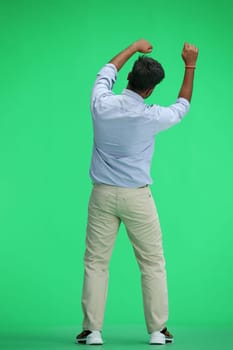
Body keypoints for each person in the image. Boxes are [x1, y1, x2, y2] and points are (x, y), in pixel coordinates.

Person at [76, 39, 198, 345]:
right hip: (137, 198)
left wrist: (133, 47)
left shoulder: (101, 104)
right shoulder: (152, 116)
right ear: (151, 90)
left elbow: (106, 71)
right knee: (152, 263)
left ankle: (92, 331)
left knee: (96, 263)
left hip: (102, 195)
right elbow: (183, 106)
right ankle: (157, 331)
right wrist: (190, 65)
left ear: (129, 78)